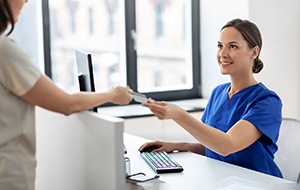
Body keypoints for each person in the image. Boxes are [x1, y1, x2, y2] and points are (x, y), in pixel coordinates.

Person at [0, 0, 133, 190]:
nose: (26, 1)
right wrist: (112, 94)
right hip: (9, 176)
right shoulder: (5, 51)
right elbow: (66, 104)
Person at [139, 18, 283, 178]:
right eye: (220, 46)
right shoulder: (218, 93)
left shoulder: (267, 101)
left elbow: (227, 145)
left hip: (259, 183)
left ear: (254, 52)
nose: (223, 54)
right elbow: (213, 144)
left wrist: (179, 115)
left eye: (233, 46)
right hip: (222, 178)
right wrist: (177, 146)